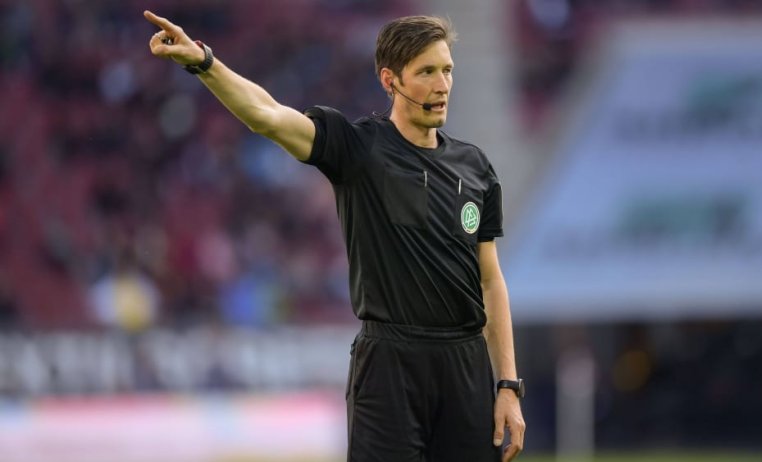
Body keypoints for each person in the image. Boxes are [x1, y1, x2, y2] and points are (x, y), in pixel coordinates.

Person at [144, 10, 525, 461]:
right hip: (389, 366)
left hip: (465, 366)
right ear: (390, 80)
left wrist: (507, 385)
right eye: (426, 72)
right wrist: (205, 63)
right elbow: (268, 116)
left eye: (447, 70)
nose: (442, 85)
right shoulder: (358, 148)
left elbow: (489, 281)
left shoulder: (475, 167)